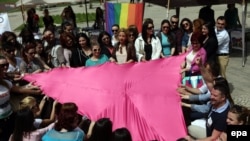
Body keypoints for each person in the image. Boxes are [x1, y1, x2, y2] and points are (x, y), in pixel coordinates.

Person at [0, 56, 41, 140]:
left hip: (10, 116)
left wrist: (34, 90)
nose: (5, 68)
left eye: (6, 65)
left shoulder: (6, 83)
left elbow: (19, 90)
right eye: (2, 66)